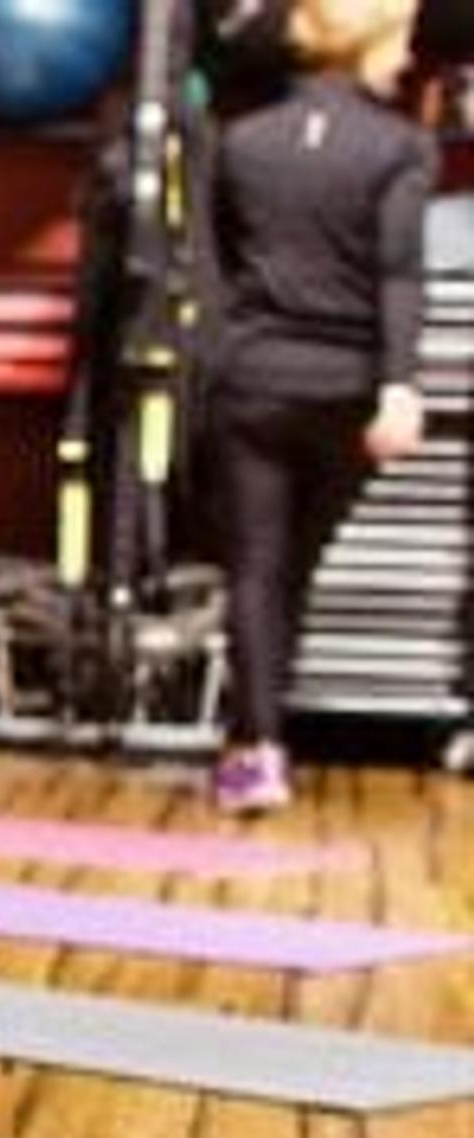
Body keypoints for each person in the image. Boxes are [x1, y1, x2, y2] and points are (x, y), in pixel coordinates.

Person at [206, 0, 436, 815]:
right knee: (288, 571)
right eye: (404, 37)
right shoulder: (403, 146)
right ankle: (257, 735)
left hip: (251, 380)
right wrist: (402, 386)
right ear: (371, 38)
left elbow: (222, 266)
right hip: (344, 390)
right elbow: (400, 275)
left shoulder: (239, 142)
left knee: (257, 571)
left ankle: (256, 745)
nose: (411, 57)